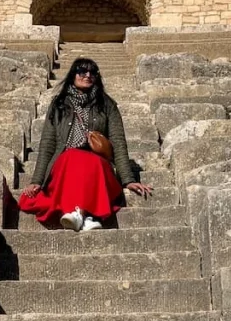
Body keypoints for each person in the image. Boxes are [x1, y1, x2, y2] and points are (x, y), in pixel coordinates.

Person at [20, 57, 153, 231]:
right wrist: (36, 180)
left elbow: (118, 142)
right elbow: (47, 144)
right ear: (73, 75)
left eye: (92, 72)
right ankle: (88, 216)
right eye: (82, 71)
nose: (87, 75)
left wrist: (128, 180)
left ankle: (78, 214)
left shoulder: (107, 104)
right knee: (71, 157)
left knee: (89, 162)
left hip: (97, 162)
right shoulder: (58, 104)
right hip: (65, 161)